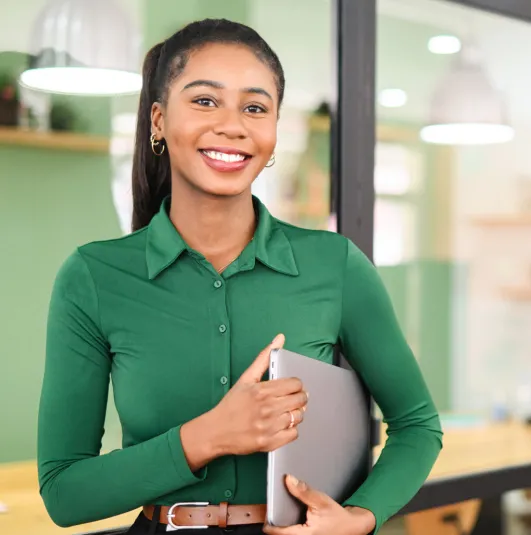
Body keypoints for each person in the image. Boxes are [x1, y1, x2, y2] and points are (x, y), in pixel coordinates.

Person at [37, 18, 443, 535]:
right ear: (158, 120)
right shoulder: (93, 277)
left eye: (255, 107)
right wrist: (209, 436)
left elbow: (417, 426)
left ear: (273, 136)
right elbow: (64, 494)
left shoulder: (334, 265)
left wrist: (359, 518)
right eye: (205, 101)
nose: (232, 125)